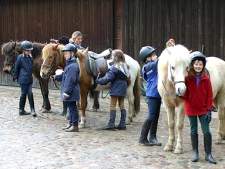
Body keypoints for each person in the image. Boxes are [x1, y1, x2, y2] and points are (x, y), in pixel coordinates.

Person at [182, 51, 217, 164]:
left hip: (203, 110)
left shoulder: (206, 79)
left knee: (206, 131)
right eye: (196, 64)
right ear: (192, 65)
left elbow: (209, 95)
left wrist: (209, 109)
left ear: (203, 66)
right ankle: (195, 152)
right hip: (191, 108)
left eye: (200, 64)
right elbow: (185, 94)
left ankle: (208, 154)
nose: (198, 66)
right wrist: (181, 93)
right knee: (193, 130)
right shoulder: (187, 79)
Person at [96, 50, 130, 130]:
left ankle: (111, 124)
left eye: (112, 56)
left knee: (112, 105)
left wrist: (98, 80)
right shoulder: (125, 66)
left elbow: (108, 78)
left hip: (116, 87)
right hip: (123, 87)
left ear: (116, 57)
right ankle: (122, 124)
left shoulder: (115, 68)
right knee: (122, 105)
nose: (111, 57)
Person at [138, 46, 162, 146]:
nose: (155, 56)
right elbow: (159, 61)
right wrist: (168, 49)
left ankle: (153, 137)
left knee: (156, 117)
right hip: (152, 95)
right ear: (147, 58)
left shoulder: (153, 65)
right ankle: (142, 138)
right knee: (151, 116)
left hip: (158, 94)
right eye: (153, 55)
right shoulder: (148, 67)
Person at [54, 44, 80, 132]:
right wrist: (56, 77)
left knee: (73, 109)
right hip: (70, 92)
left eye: (66, 53)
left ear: (72, 54)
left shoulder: (73, 66)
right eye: (64, 53)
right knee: (70, 108)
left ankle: (75, 126)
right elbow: (65, 76)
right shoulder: (69, 65)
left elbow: (71, 80)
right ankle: (71, 124)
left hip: (71, 92)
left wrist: (66, 92)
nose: (65, 55)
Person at [14, 40, 36, 117]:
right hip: (23, 79)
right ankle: (21, 110)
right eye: (28, 50)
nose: (29, 51)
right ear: (23, 50)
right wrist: (15, 77)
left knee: (30, 93)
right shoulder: (20, 58)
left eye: (30, 50)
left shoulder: (30, 57)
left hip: (29, 79)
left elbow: (31, 67)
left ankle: (32, 110)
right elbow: (16, 68)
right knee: (24, 94)